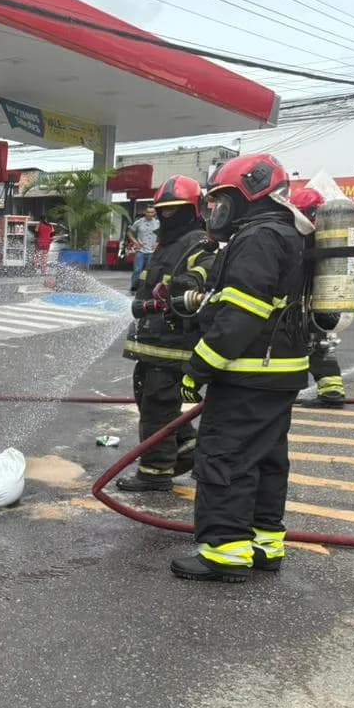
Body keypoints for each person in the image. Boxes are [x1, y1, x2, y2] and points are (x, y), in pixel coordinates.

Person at [173, 153, 312, 584]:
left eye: (223, 199)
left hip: (248, 373)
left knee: (224, 457)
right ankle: (264, 544)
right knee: (267, 459)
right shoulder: (288, 234)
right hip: (278, 374)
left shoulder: (257, 238)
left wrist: (198, 370)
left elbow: (241, 315)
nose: (216, 210)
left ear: (249, 193)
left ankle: (225, 552)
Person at [117, 175, 216, 492]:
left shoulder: (200, 242)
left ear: (193, 209)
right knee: (151, 403)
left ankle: (155, 473)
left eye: (175, 210)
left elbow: (204, 273)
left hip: (173, 343)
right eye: (163, 210)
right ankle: (187, 451)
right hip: (151, 341)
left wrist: (185, 286)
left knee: (159, 406)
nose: (167, 216)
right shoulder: (168, 243)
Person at [290, 187, 346, 408]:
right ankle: (332, 390)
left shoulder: (305, 237)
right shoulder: (326, 235)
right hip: (321, 301)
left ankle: (328, 390)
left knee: (305, 344)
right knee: (320, 345)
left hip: (306, 301)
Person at [127, 204, 159, 293]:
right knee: (137, 270)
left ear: (155, 213)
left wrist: (157, 242)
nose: (150, 214)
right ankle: (134, 288)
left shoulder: (157, 223)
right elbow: (129, 232)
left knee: (149, 272)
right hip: (140, 251)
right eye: (148, 212)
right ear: (145, 212)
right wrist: (135, 242)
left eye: (152, 212)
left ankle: (147, 290)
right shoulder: (139, 222)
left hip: (152, 251)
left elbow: (162, 234)